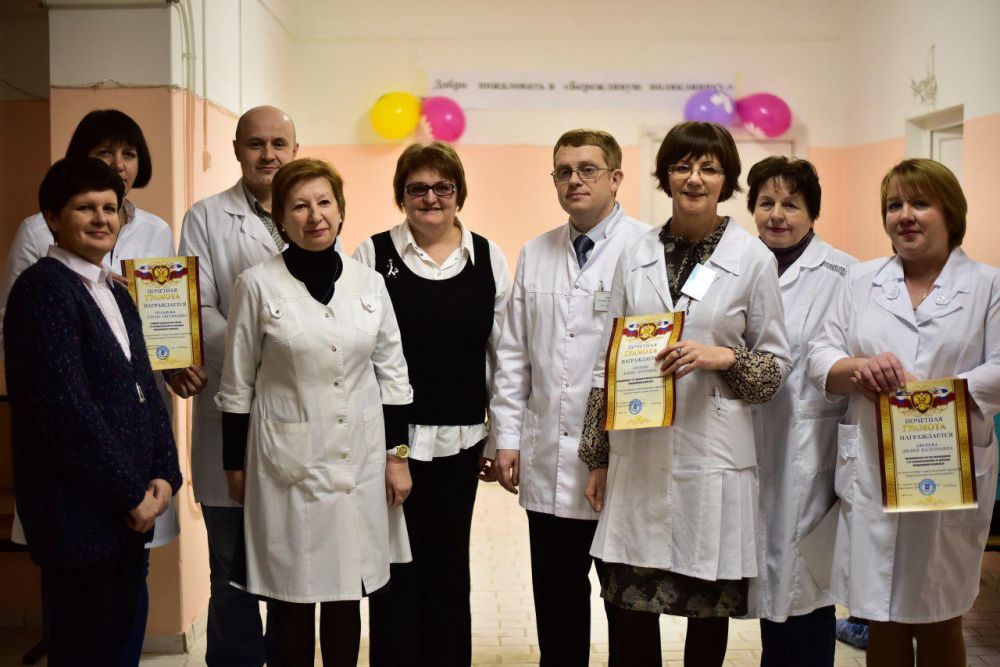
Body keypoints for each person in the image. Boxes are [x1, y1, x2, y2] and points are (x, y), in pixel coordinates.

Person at [578, 121, 791, 667]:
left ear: (727, 180)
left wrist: (724, 357)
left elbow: (774, 370)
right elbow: (608, 360)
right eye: (682, 166)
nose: (694, 179)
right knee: (629, 608)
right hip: (639, 454)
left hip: (712, 457)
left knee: (706, 611)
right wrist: (597, 457)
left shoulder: (752, 259)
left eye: (709, 168)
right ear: (665, 175)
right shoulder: (636, 252)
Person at [0, 108, 205, 666]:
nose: (101, 219)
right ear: (52, 218)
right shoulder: (44, 290)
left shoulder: (115, 293)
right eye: (85, 208)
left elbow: (144, 390)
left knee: (120, 637)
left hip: (131, 503)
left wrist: (165, 475)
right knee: (84, 644)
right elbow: (67, 410)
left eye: (110, 209)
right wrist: (132, 494)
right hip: (82, 507)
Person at [216, 158, 412, 666]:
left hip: (358, 463)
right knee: (292, 596)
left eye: (324, 202)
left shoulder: (369, 284)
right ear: (281, 217)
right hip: (286, 468)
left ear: (341, 210)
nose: (314, 215)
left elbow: (394, 379)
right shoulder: (256, 285)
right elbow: (236, 386)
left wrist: (398, 457)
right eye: (299, 206)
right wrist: (234, 465)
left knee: (348, 591)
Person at [807, 158, 1000, 667]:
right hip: (874, 468)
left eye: (920, 203)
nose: (905, 216)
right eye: (894, 205)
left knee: (940, 615)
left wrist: (932, 397)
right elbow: (820, 354)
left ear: (950, 213)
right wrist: (857, 369)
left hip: (948, 470)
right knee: (880, 615)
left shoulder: (988, 286)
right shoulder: (859, 280)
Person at [490, 128, 649, 666]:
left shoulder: (645, 249)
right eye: (564, 171)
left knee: (629, 610)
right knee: (557, 606)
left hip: (622, 462)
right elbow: (513, 354)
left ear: (616, 178)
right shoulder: (536, 252)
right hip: (549, 462)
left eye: (588, 169)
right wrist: (507, 439)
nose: (574, 180)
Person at [354, 141, 510, 666]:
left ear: (459, 193)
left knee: (449, 567)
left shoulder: (487, 257)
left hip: (461, 440)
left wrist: (499, 437)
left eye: (443, 187)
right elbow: (362, 357)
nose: (431, 198)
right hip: (391, 444)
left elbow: (503, 356)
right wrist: (386, 448)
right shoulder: (372, 255)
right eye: (417, 188)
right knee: (396, 568)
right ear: (400, 196)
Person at [179, 105, 299, 665]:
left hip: (294, 421)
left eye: (278, 144)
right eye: (256, 144)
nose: (267, 154)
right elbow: (198, 308)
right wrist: (270, 348)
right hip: (229, 409)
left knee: (290, 568)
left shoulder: (310, 210)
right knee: (229, 571)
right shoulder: (205, 217)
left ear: (294, 151)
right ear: (236, 150)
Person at [743, 156, 856, 666]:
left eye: (791, 204)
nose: (777, 215)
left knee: (808, 588)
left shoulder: (844, 273)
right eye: (766, 202)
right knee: (767, 587)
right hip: (748, 442)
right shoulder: (738, 265)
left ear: (813, 212)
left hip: (812, 447)